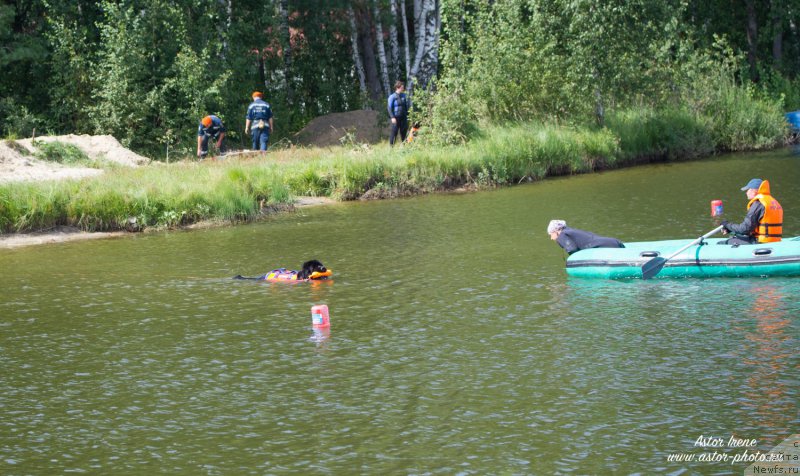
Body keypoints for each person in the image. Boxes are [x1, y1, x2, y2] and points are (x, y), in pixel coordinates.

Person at [720, 178, 783, 245]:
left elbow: (744, 229)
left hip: (760, 242)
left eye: (748, 190)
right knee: (736, 236)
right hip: (774, 241)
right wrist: (730, 230)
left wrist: (727, 225)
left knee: (722, 243)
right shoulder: (773, 202)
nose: (746, 193)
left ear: (754, 191)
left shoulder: (758, 204)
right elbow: (749, 229)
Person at [547, 220, 625, 255]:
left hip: (607, 247)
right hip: (614, 242)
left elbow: (572, 249)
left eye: (551, 234)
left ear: (556, 231)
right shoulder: (570, 231)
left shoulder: (562, 235)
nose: (551, 238)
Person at [387, 80, 410, 145]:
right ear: (397, 87)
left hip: (403, 117)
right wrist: (392, 117)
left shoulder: (404, 95)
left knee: (404, 132)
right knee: (394, 132)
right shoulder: (392, 96)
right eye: (402, 87)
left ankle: (404, 146)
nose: (403, 89)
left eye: (403, 87)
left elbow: (406, 106)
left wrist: (408, 115)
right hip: (396, 117)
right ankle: (391, 147)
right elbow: (389, 108)